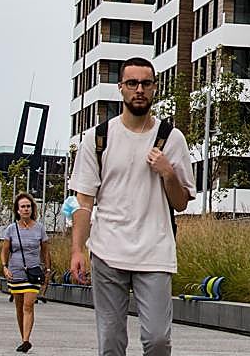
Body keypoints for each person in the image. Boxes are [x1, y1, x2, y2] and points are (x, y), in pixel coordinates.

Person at [69, 57, 196, 356]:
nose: (139, 89)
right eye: (132, 83)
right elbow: (84, 201)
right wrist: (77, 249)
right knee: (111, 341)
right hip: (107, 250)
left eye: (145, 83)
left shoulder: (171, 138)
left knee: (157, 340)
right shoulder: (98, 138)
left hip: (154, 252)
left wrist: (168, 172)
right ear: (121, 88)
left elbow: (180, 204)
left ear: (155, 88)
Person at [1, 192, 51, 353]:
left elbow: (45, 251)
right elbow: (5, 251)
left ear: (32, 208)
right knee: (19, 307)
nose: (26, 209)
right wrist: (4, 267)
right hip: (16, 273)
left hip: (33, 272)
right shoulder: (11, 229)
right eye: (23, 206)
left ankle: (26, 340)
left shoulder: (40, 228)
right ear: (17, 210)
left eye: (28, 206)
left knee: (28, 305)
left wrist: (48, 269)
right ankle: (23, 337)